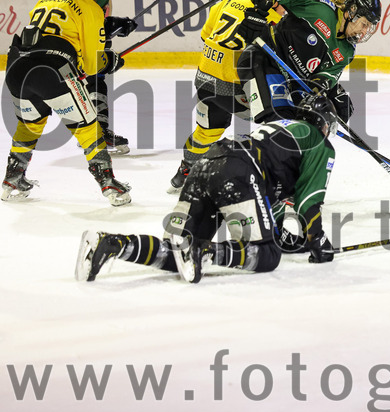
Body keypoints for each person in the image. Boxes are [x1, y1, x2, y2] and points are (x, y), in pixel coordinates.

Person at [76, 94, 339, 285]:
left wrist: (298, 241)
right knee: (267, 256)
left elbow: (272, 220)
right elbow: (308, 203)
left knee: (175, 253)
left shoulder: (283, 131)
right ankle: (206, 252)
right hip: (238, 171)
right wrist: (318, 242)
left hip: (205, 164)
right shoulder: (319, 142)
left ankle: (113, 243)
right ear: (325, 123)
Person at [2, 0, 131, 206]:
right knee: (88, 125)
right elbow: (93, 64)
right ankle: (109, 184)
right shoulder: (91, 7)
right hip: (52, 69)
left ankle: (12, 178)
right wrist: (110, 62)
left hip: (16, 68)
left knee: (30, 124)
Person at [168, 0, 290, 193]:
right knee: (278, 122)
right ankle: (276, 179)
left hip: (204, 78)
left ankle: (185, 169)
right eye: (283, 3)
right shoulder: (273, 21)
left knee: (208, 131)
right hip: (231, 88)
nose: (285, 8)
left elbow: (206, 36)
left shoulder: (228, 1)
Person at [238, 0, 381, 128]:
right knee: (282, 124)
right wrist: (260, 10)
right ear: (352, 11)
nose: (364, 31)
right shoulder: (320, 9)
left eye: (368, 27)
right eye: (364, 24)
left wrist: (314, 100)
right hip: (265, 58)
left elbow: (324, 80)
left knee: (342, 107)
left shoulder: (347, 51)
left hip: (293, 80)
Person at [89, 0, 137, 154]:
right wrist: (110, 26)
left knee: (97, 83)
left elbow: (96, 27)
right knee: (95, 83)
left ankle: (96, 131)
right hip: (77, 49)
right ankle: (97, 133)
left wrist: (114, 28)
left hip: (87, 46)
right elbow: (88, 24)